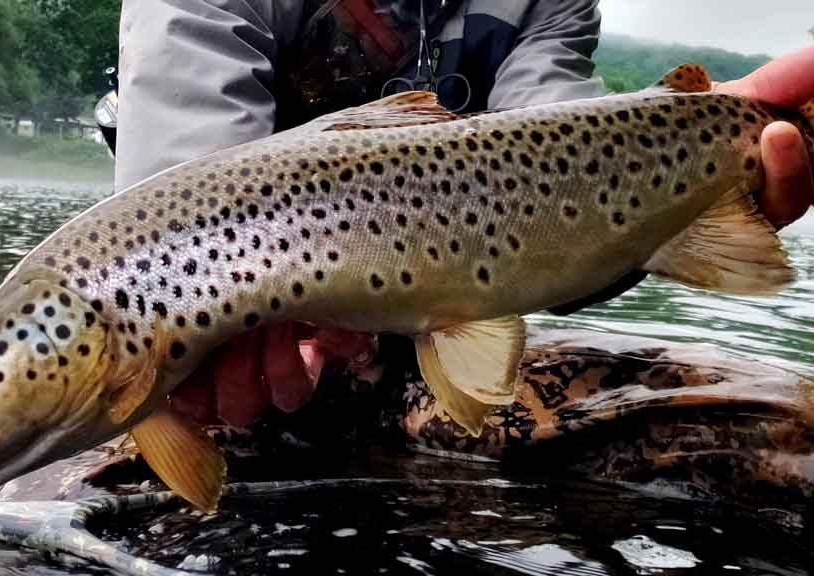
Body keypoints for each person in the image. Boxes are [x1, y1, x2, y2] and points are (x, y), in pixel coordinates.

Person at [114, 0, 814, 428]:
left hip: (442, 341)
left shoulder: (546, 2)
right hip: (235, 354)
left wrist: (704, 160)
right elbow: (176, 209)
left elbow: (556, 157)